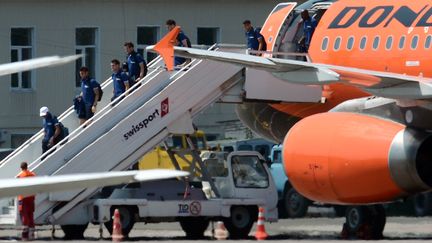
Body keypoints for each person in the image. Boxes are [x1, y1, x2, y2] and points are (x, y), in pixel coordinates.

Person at [17, 162, 36, 241]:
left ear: (21, 168)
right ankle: (32, 234)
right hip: (31, 197)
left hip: (23, 198)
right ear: (27, 167)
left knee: (24, 216)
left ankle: (25, 235)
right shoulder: (33, 175)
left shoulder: (20, 176)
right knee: (30, 214)